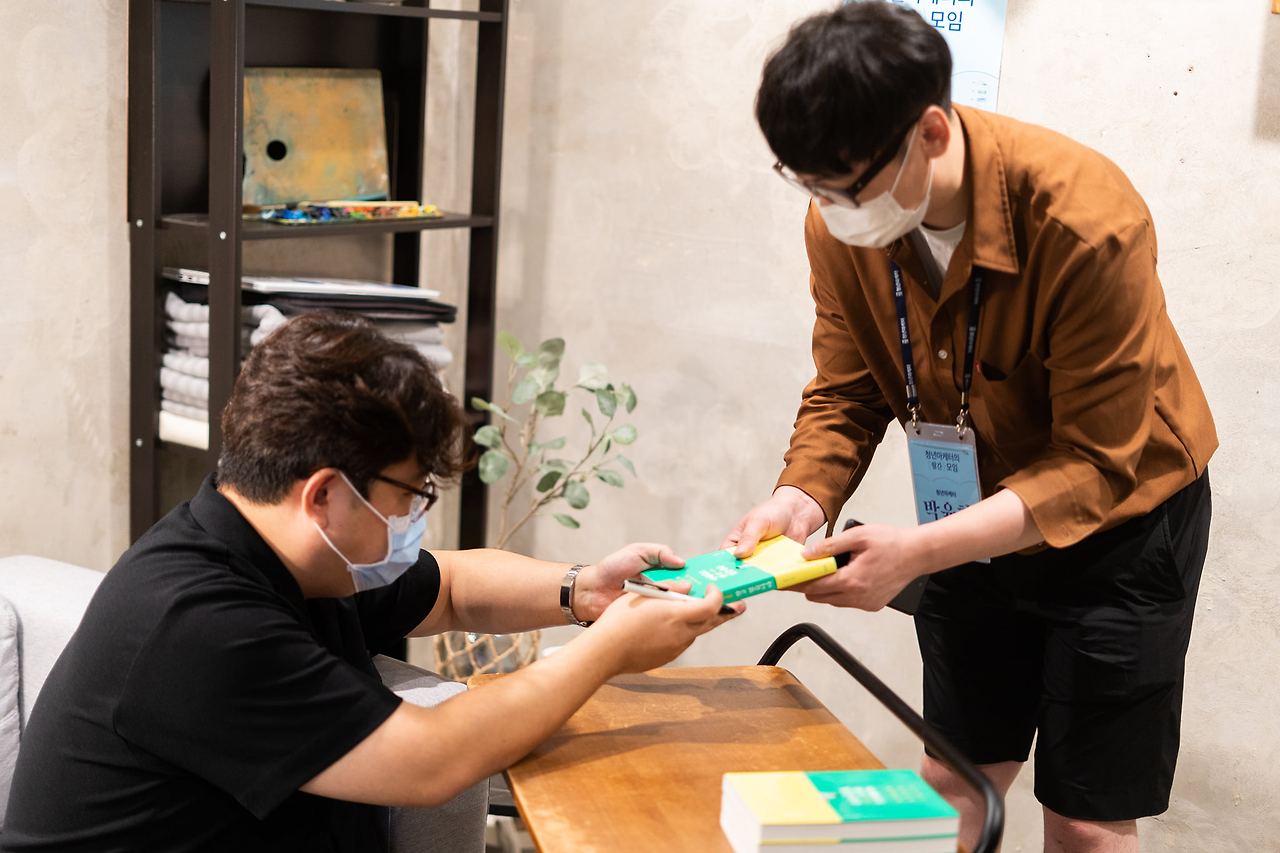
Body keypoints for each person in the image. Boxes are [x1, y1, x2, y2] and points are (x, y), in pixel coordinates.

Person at [724, 5, 1216, 852]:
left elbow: (1097, 463)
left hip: (1123, 530)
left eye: (847, 187)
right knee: (955, 776)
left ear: (931, 130)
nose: (831, 210)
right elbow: (846, 389)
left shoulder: (1084, 219)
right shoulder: (839, 223)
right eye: (808, 185)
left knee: (1085, 819)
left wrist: (917, 552)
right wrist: (800, 498)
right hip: (969, 517)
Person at [2, 312, 739, 852]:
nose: (415, 518)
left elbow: (451, 588)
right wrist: (610, 649)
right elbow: (432, 759)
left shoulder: (286, 553)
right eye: (411, 495)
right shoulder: (198, 623)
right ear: (325, 494)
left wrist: (584, 591)